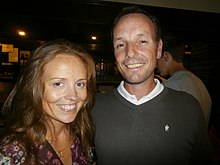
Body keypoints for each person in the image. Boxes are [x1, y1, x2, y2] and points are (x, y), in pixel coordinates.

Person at [92, 6, 216, 165]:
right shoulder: (94, 108)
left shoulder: (189, 108)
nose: (130, 52)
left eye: (142, 41)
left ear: (158, 49)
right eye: (121, 44)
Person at [0, 39, 96, 164]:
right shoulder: (12, 152)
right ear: (34, 88)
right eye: (58, 84)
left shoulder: (81, 133)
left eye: (80, 84)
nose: (73, 96)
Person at [157, 32, 212, 127]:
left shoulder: (172, 87)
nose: (156, 65)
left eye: (157, 59)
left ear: (166, 56)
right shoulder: (199, 82)